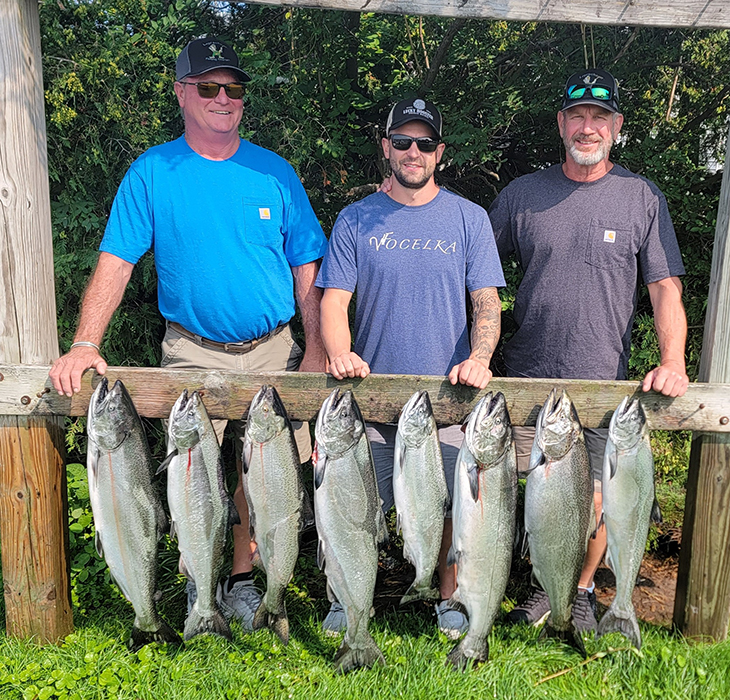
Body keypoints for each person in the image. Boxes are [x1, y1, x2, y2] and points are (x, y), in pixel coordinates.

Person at [49, 37, 328, 630]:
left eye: (233, 88)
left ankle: (248, 581)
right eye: (208, 87)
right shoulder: (153, 172)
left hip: (274, 346)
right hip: (188, 348)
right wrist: (84, 342)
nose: (223, 98)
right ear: (181, 93)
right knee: (191, 468)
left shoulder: (274, 172)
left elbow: (308, 268)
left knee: (267, 472)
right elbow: (118, 260)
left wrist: (318, 352)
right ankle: (198, 585)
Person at [489, 68, 689, 634]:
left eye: (600, 117)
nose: (587, 126)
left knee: (599, 497)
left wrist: (672, 361)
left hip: (606, 383)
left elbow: (665, 288)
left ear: (617, 126)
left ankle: (578, 591)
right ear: (561, 123)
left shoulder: (641, 198)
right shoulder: (521, 196)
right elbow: (476, 276)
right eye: (577, 115)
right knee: (535, 493)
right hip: (527, 379)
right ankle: (540, 588)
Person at [316, 98, 506, 638]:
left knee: (447, 512)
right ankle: (348, 597)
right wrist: (338, 352)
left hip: (447, 398)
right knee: (353, 508)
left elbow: (486, 301)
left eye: (425, 143)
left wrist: (480, 358)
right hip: (369, 401)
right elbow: (333, 301)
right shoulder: (356, 218)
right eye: (402, 142)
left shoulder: (470, 218)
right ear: (386, 148)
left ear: (440, 152)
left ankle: (447, 597)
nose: (413, 152)